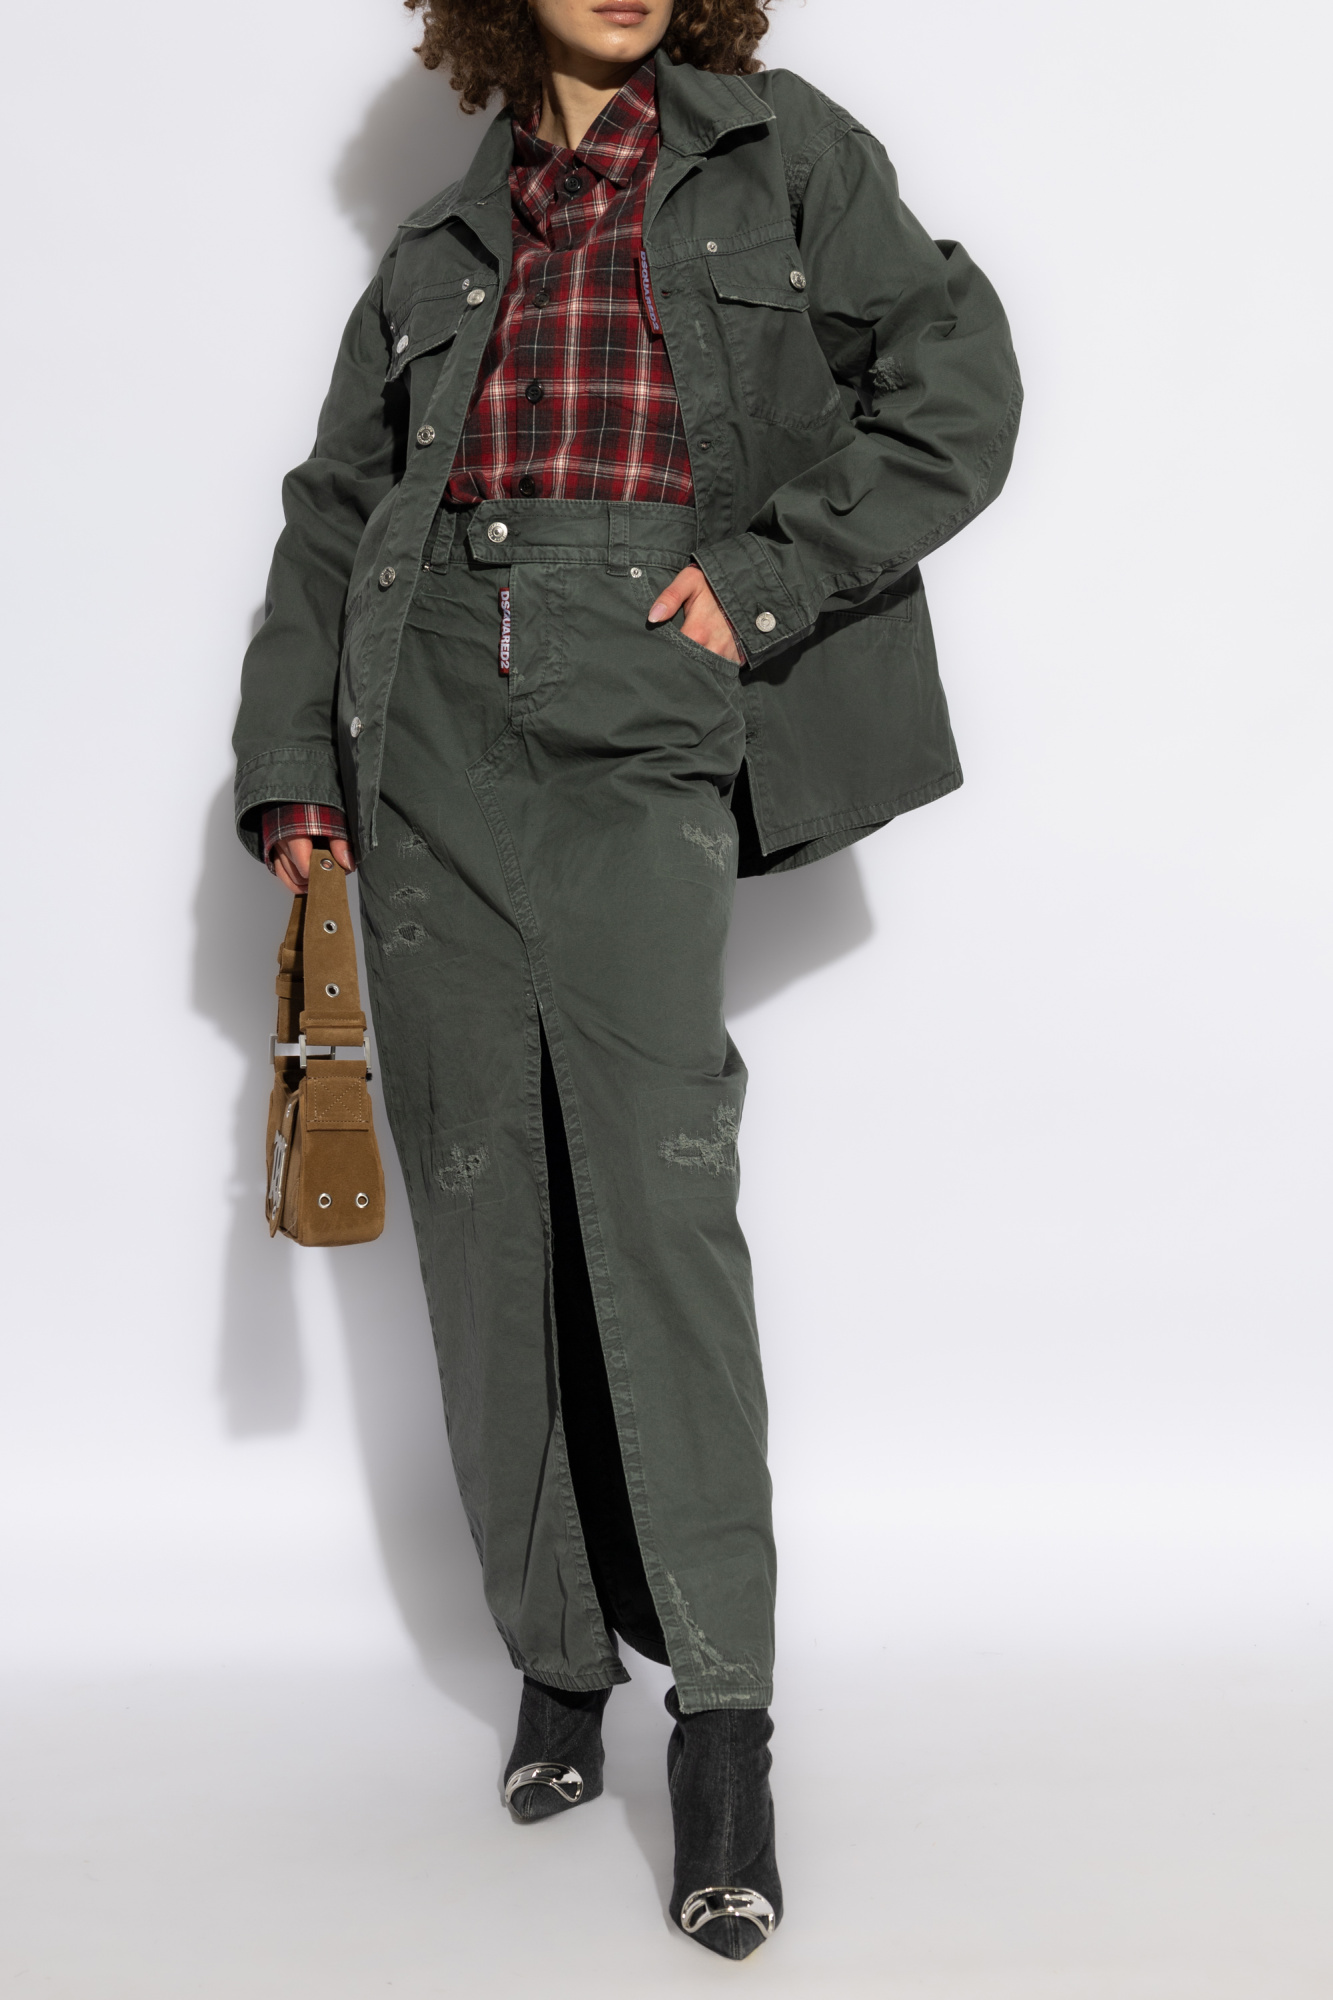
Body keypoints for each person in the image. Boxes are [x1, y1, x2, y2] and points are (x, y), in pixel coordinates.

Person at [232, 0, 1020, 1958]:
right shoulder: (441, 242)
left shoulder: (777, 148)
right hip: (423, 716)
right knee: (480, 1201)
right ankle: (559, 1660)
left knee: (658, 1196)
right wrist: (293, 773)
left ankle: (725, 1725)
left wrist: (757, 581)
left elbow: (957, 372)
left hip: (642, 687)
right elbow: (333, 513)